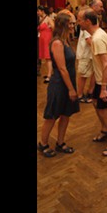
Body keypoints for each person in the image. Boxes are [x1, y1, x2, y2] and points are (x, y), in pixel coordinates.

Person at [79, 9, 107, 156]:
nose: (78, 22)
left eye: (80, 20)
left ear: (87, 22)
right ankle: (105, 130)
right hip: (101, 79)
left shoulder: (97, 39)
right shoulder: (98, 34)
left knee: (103, 109)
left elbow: (106, 65)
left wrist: (103, 88)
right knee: (96, 103)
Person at [37, 13, 80, 157]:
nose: (73, 26)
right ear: (63, 25)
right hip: (59, 84)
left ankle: (60, 143)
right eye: (71, 23)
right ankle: (43, 144)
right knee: (52, 115)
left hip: (68, 82)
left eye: (73, 23)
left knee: (66, 114)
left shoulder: (65, 40)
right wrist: (71, 89)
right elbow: (62, 68)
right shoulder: (57, 43)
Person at [76, 7, 95, 104]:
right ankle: (79, 95)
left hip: (89, 55)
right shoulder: (86, 26)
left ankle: (89, 92)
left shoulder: (89, 24)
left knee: (90, 74)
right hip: (85, 55)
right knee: (83, 75)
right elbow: (89, 41)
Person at [37, 6, 54, 83]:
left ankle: (49, 75)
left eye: (38, 11)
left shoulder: (48, 19)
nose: (37, 12)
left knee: (48, 57)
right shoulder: (40, 19)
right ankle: (49, 73)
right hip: (42, 39)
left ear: (42, 11)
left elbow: (53, 27)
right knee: (46, 58)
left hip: (47, 39)